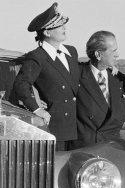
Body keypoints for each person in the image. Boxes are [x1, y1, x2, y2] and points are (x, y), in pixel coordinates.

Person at [13, 2, 80, 151]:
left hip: (79, 127)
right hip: (55, 128)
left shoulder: (72, 52)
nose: (64, 27)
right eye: (59, 25)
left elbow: (80, 77)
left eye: (63, 24)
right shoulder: (37, 56)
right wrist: (37, 109)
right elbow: (21, 84)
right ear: (47, 33)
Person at [72, 31, 125, 147]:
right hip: (83, 149)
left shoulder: (119, 79)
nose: (117, 55)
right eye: (113, 51)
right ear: (98, 54)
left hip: (111, 148)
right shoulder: (76, 75)